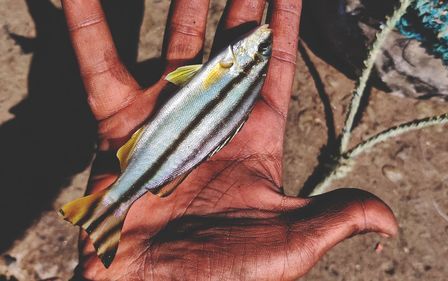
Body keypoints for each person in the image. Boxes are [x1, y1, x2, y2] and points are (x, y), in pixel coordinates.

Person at [62, 0, 397, 279]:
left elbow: (187, 78)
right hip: (167, 146)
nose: (263, 39)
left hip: (164, 147)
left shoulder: (236, 69)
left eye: (262, 50)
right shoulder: (236, 75)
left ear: (243, 62)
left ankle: (109, 207)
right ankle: (108, 208)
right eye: (263, 48)